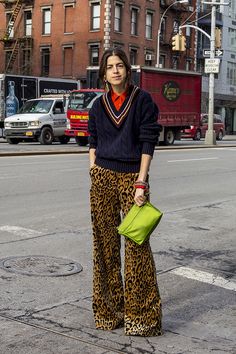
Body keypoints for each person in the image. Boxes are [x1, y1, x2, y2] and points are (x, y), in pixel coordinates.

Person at [88, 47, 162, 337]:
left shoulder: (142, 100)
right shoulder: (97, 105)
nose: (115, 70)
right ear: (104, 73)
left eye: (120, 65)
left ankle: (142, 318)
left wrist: (141, 182)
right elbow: (92, 140)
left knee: (136, 249)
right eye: (110, 66)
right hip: (103, 178)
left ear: (127, 70)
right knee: (104, 249)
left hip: (133, 179)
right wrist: (93, 168)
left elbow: (148, 141)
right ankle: (109, 313)